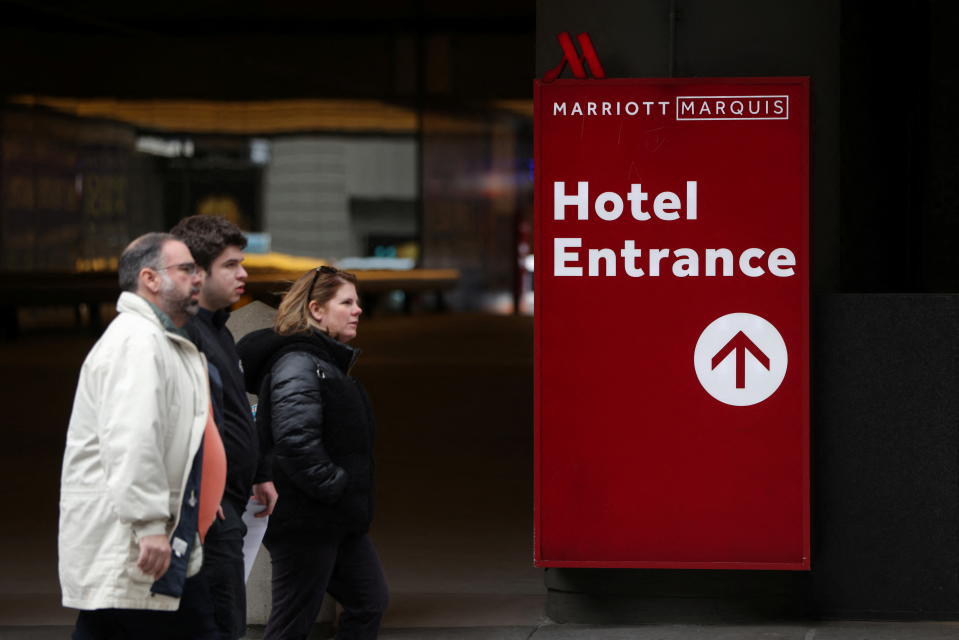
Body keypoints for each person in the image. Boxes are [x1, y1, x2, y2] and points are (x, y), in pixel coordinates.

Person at [59, 233, 225, 640]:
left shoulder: (159, 340)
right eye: (186, 269)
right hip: (144, 542)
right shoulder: (138, 342)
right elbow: (132, 440)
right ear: (150, 278)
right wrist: (150, 524)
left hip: (150, 540)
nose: (198, 278)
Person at [237, 266, 388, 640]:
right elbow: (295, 440)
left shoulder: (323, 364)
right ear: (317, 310)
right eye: (347, 302)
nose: (358, 310)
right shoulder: (299, 364)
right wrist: (336, 487)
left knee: (369, 600)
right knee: (292, 623)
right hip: (308, 521)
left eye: (358, 302)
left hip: (336, 519)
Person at [170, 214, 278, 639]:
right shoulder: (181, 335)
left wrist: (259, 473)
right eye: (231, 265)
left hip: (228, 503)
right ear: (196, 272)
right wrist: (198, 492)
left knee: (224, 619)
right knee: (219, 623)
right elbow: (175, 423)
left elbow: (231, 413)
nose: (244, 274)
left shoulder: (218, 330)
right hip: (205, 513)